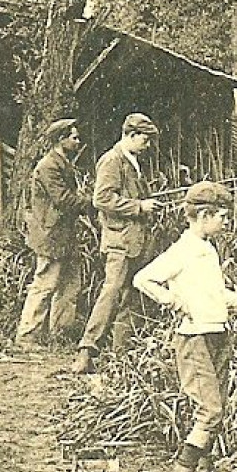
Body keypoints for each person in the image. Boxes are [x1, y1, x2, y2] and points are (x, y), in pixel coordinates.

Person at [133, 181, 237, 472]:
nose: (225, 222)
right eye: (221, 216)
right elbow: (143, 279)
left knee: (217, 407)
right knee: (210, 410)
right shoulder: (183, 250)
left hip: (217, 333)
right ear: (204, 215)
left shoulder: (208, 249)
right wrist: (171, 300)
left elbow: (215, 293)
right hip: (193, 338)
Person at [74, 113, 161, 373]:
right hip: (119, 241)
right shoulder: (112, 160)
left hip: (134, 240)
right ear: (131, 135)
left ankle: (120, 356)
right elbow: (101, 199)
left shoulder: (132, 161)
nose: (148, 146)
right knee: (111, 294)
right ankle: (86, 351)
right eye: (145, 140)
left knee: (131, 297)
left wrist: (148, 206)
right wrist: (139, 206)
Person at [13, 118, 88, 350]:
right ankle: (27, 336)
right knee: (45, 284)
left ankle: (60, 333)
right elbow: (63, 200)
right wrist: (92, 201)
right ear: (60, 139)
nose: (78, 141)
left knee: (70, 285)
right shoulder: (48, 166)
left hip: (63, 234)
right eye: (73, 137)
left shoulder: (62, 163)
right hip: (50, 234)